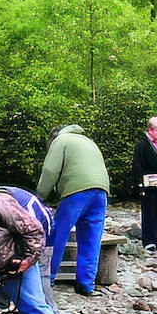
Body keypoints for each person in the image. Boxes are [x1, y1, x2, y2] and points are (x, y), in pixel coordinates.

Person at [36, 124, 111, 295]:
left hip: (76, 191)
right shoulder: (88, 141)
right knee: (91, 238)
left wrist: (40, 196)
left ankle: (47, 278)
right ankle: (86, 284)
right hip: (101, 191)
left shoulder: (60, 141)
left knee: (58, 234)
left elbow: (50, 170)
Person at [128, 117, 157, 253]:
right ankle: (148, 241)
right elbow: (137, 165)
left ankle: (155, 240)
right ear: (150, 130)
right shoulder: (142, 144)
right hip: (149, 185)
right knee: (149, 212)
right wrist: (140, 186)